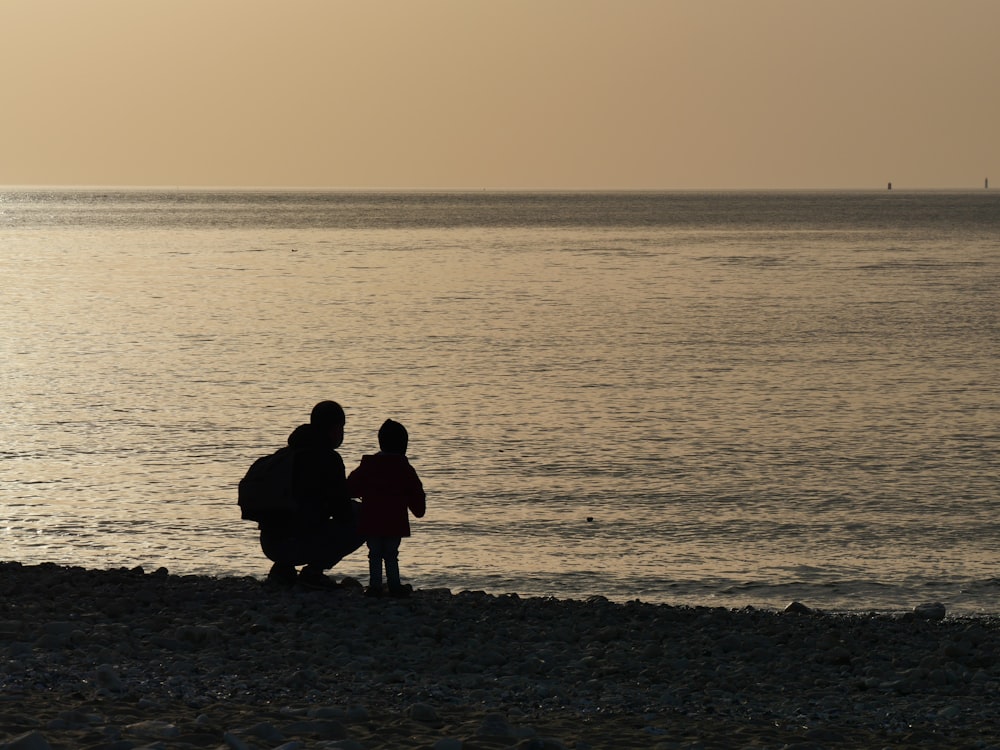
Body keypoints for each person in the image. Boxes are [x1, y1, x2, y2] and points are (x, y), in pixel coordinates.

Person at [258, 400, 364, 589]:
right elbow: (343, 513)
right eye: (341, 428)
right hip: (298, 545)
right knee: (365, 517)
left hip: (270, 544)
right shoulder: (329, 459)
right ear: (334, 429)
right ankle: (314, 572)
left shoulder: (286, 454)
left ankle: (283, 570)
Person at [347, 419, 426, 597]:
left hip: (372, 520)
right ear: (403, 445)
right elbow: (416, 494)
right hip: (394, 522)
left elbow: (350, 487)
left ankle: (375, 586)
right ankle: (394, 586)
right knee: (391, 554)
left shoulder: (368, 465)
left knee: (374, 553)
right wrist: (418, 508)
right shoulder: (404, 469)